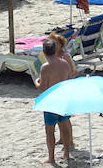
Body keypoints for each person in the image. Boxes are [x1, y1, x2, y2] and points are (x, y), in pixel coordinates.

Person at [35, 37, 77, 165]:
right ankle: (66, 153)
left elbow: (43, 89)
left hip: (51, 102)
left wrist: (36, 82)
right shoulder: (64, 63)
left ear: (44, 52)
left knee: (50, 131)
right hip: (63, 99)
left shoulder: (45, 67)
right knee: (64, 127)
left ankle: (51, 157)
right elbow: (69, 77)